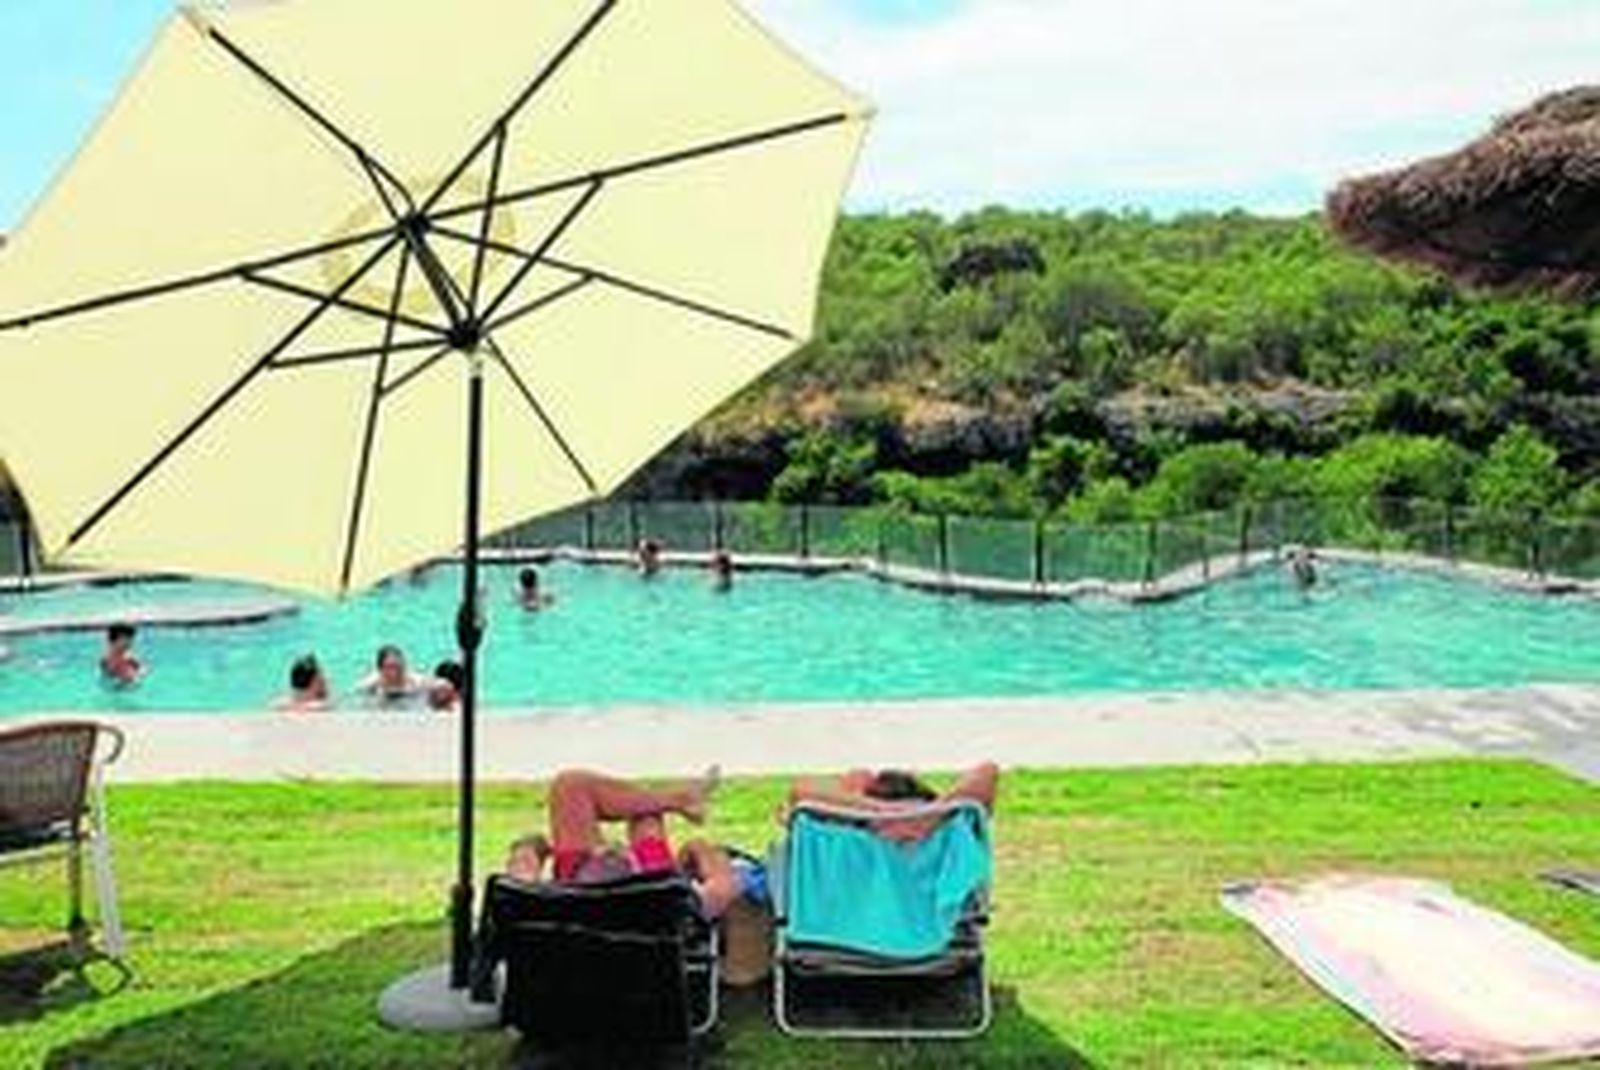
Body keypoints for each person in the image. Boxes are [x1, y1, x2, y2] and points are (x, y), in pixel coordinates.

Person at [505, 766, 739, 918]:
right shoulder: (678, 905)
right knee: (645, 817)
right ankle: (682, 799)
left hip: (578, 897)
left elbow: (519, 879)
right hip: (652, 896)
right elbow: (724, 886)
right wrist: (700, 849)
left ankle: (681, 799)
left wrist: (530, 848)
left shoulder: (538, 906)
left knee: (570, 785)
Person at [785, 762, 1000, 843]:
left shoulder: (835, 834)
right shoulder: (946, 833)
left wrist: (880, 813)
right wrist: (929, 815)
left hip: (835, 933)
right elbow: (987, 771)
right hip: (932, 934)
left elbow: (801, 790)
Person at [358, 644, 429, 705]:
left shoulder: (416, 683)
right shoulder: (372, 685)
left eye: (397, 666)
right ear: (381, 669)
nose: (394, 672)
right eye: (390, 667)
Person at [99, 623, 143, 687]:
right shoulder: (106, 659)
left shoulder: (129, 656)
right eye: (127, 640)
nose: (131, 643)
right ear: (114, 641)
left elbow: (141, 668)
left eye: (131, 640)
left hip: (129, 685)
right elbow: (105, 677)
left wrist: (137, 675)